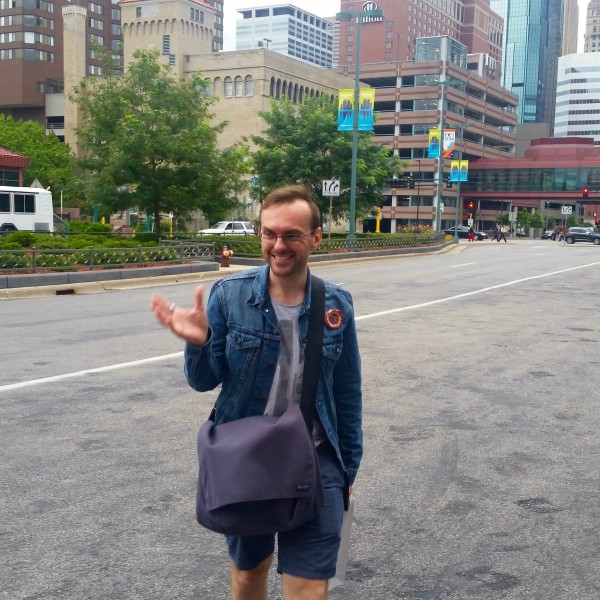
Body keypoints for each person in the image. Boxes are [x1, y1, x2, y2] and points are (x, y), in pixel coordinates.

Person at [150, 185, 363, 600]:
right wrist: (197, 342)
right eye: (269, 234)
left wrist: (347, 469)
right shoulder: (230, 296)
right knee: (250, 574)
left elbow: (347, 392)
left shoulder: (336, 304)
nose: (278, 245)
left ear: (316, 238)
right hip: (248, 459)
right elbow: (203, 381)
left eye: (292, 235)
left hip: (317, 460)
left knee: (309, 591)